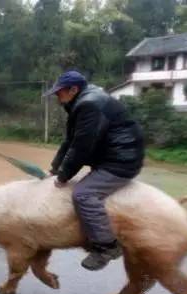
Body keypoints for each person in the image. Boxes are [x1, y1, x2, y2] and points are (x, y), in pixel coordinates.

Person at [43, 71, 144, 271]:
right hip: (113, 155)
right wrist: (55, 169)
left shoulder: (89, 105)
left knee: (83, 194)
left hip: (121, 160)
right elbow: (70, 141)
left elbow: (81, 146)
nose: (57, 97)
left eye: (59, 93)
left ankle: (107, 247)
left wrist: (63, 176)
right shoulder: (84, 101)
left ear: (73, 89)